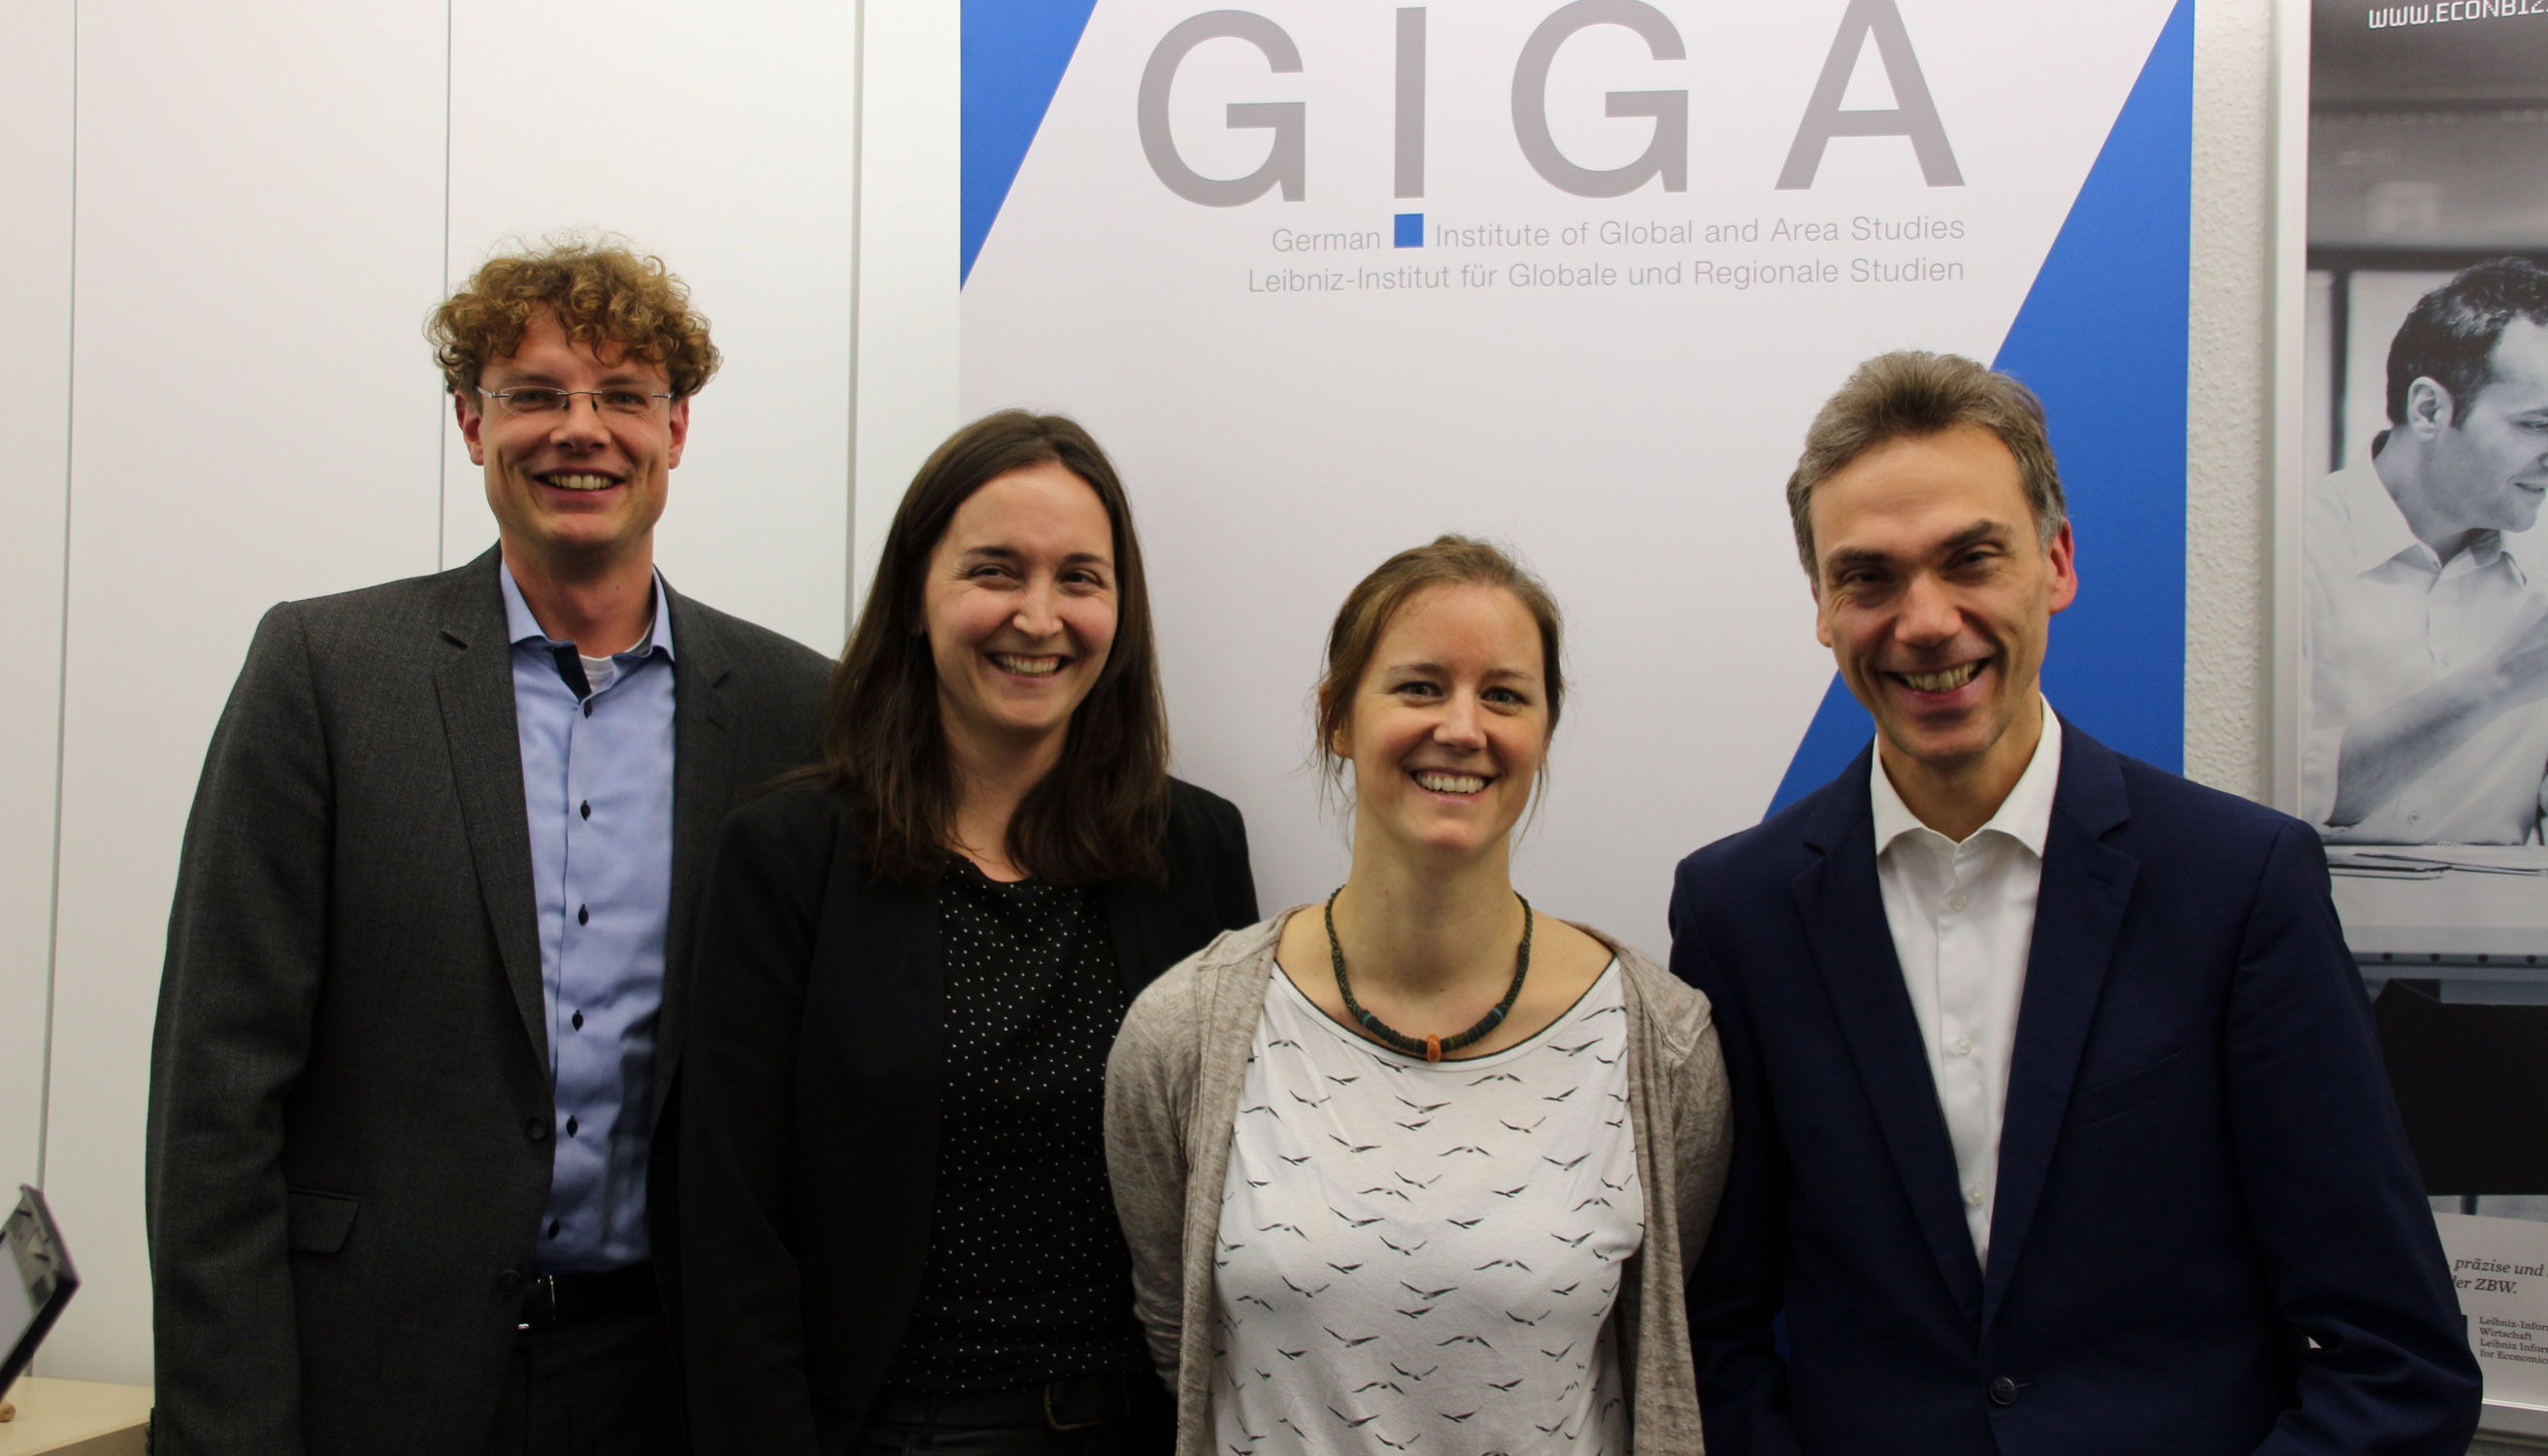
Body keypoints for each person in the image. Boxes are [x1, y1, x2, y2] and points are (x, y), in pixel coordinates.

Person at [1671, 350, 2481, 1455]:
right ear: (1821, 603)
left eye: (1971, 559)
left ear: (2056, 561)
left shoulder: (2239, 886)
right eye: (1869, 577)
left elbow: (2396, 1357)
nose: (1925, 620)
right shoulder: (1739, 911)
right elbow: (1711, 1330)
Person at [146, 240, 832, 1455]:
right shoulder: (328, 674)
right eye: (536, 395)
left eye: (624, 396)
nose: (583, 430)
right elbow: (216, 1096)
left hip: (666, 1386)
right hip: (370, 1377)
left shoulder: (791, 709)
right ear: (471, 423)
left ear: (677, 432)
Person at [680, 411, 1256, 1455]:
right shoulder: (788, 855)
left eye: (1081, 578)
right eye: (996, 570)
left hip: (1136, 1425)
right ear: (914, 595)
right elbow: (728, 1224)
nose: (1040, 616)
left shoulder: (1196, 849)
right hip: (890, 1433)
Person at [1107, 536, 1733, 1456]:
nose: (1463, 727)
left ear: (1544, 731)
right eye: (1419, 686)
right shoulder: (1183, 1032)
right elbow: (1177, 1340)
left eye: (1505, 695)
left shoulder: (1661, 1044)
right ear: (1335, 718)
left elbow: (1665, 1338)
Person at [2303, 257, 2548, 845]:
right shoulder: (2286, 553)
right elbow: (2258, 790)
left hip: (2503, 937)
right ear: (2430, 410)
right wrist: (2500, 680)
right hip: (2308, 931)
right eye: (2537, 425)